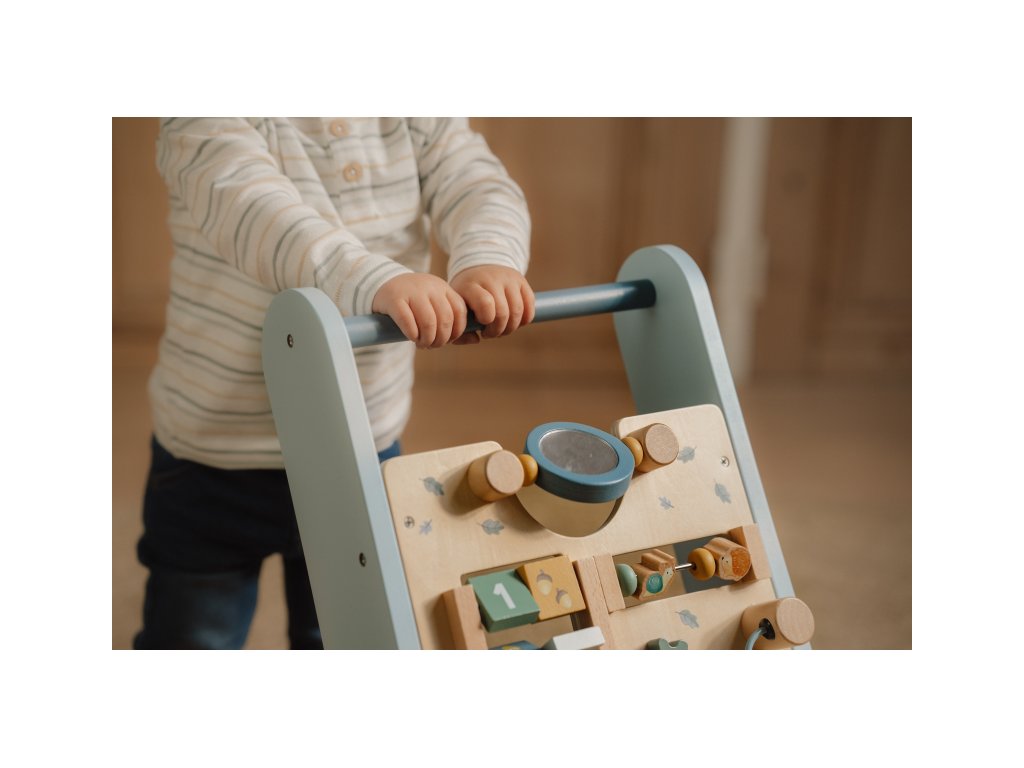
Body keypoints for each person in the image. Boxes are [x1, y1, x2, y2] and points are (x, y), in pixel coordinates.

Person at [134, 117, 534, 649]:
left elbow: (477, 182)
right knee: (191, 638)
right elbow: (259, 214)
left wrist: (489, 257)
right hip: (216, 457)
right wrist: (375, 280)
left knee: (350, 634)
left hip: (360, 447)